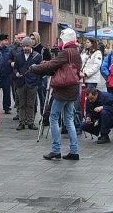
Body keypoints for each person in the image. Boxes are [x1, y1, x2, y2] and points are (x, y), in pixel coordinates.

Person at [30, 27, 82, 159]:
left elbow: (52, 66)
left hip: (63, 88)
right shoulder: (76, 52)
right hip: (73, 87)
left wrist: (34, 68)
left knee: (54, 117)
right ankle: (74, 151)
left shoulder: (65, 52)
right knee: (69, 119)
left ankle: (56, 149)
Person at [13, 37, 43, 130]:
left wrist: (37, 83)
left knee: (31, 104)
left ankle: (30, 122)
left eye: (27, 46)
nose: (25, 48)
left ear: (31, 46)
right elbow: (15, 68)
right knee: (21, 104)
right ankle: (21, 122)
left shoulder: (37, 56)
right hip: (21, 82)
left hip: (32, 83)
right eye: (23, 46)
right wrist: (16, 73)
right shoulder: (18, 56)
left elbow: (40, 71)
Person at [0, 34, 13, 115]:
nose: (7, 42)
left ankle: (7, 107)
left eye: (7, 40)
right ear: (0, 41)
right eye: (5, 40)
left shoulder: (10, 50)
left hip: (7, 74)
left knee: (7, 92)